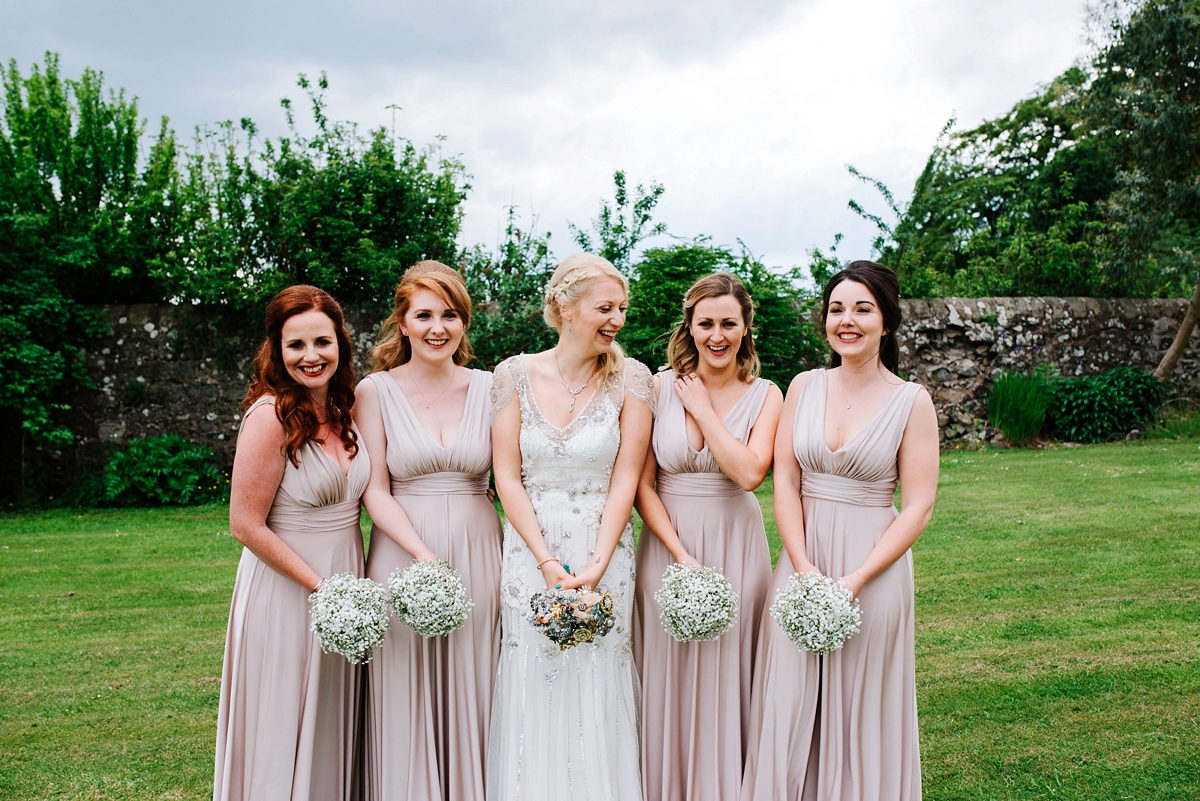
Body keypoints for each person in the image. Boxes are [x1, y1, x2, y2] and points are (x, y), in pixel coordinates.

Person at [741, 261, 939, 801]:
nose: (846, 320)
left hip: (872, 567)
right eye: (836, 309)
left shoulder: (910, 401)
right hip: (801, 559)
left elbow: (918, 506)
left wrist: (855, 579)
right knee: (785, 696)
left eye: (862, 309)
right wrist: (802, 567)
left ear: (887, 322)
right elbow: (784, 479)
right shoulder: (803, 386)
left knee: (859, 704)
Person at [487, 253, 654, 801]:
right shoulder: (512, 375)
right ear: (565, 306)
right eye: (605, 307)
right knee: (534, 673)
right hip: (531, 548)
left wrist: (601, 561)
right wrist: (544, 559)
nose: (617, 320)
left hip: (602, 545)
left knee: (598, 674)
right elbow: (507, 478)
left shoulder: (632, 380)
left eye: (622, 309)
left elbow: (627, 477)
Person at [354, 261, 502, 801]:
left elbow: (513, 475)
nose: (438, 327)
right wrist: (422, 553)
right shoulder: (374, 391)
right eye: (424, 315)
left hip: (480, 547)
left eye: (450, 315)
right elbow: (374, 489)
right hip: (401, 549)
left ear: (464, 323)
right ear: (403, 322)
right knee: (403, 682)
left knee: (477, 677)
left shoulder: (492, 388)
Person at [214, 285, 369, 801]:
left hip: (345, 580)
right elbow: (245, 524)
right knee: (281, 720)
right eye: (295, 345)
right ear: (277, 351)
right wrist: (321, 588)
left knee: (329, 714)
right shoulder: (270, 416)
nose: (310, 357)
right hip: (288, 590)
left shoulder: (347, 409)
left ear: (340, 344)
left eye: (322, 342)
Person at [633, 273, 783, 801]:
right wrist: (679, 553)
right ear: (689, 328)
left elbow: (748, 473)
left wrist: (700, 408)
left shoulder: (766, 395)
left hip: (736, 543)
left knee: (729, 670)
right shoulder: (654, 385)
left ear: (745, 329)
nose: (716, 335)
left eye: (728, 324)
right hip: (667, 544)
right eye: (705, 324)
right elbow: (640, 483)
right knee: (666, 669)